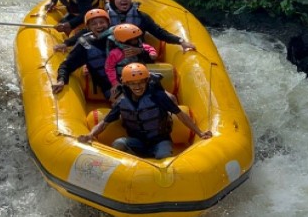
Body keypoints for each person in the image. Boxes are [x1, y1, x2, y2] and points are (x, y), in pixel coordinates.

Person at [77, 62, 211, 158]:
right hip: (137, 141)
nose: (138, 86)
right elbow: (104, 123)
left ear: (147, 81)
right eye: (133, 83)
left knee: (163, 156)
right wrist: (90, 135)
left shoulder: (157, 96)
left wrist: (200, 133)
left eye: (141, 82)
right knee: (118, 144)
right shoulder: (122, 101)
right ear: (126, 84)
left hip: (160, 140)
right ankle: (135, 162)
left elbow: (181, 115)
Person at [104, 0, 195, 54]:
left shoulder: (141, 17)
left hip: (137, 53)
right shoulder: (104, 18)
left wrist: (180, 41)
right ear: (112, 1)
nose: (124, 0)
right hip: (112, 54)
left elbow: (159, 32)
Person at [51, 8, 113, 98]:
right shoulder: (85, 45)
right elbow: (66, 66)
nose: (99, 26)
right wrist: (61, 80)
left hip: (132, 80)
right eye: (94, 24)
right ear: (89, 27)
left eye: (102, 22)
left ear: (108, 23)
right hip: (110, 88)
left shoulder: (119, 37)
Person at [104, 23, 158, 92]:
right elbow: (109, 68)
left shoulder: (139, 45)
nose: (135, 41)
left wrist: (152, 52)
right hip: (125, 80)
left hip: (140, 77)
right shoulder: (115, 53)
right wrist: (114, 82)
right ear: (123, 40)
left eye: (136, 38)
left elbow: (148, 47)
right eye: (132, 39)